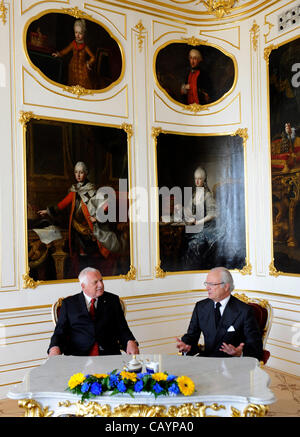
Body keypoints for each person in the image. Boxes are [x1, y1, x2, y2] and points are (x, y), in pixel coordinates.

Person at [38, 161, 121, 276]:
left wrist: (96, 218)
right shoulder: (74, 190)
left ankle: (93, 275)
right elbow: (63, 204)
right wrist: (47, 211)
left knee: (94, 254)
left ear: (86, 173)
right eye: (76, 172)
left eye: (81, 172)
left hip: (90, 228)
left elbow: (104, 205)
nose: (78, 175)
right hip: (77, 227)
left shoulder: (92, 189)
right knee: (81, 255)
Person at [176, 267, 263, 360]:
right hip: (207, 363)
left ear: (226, 287)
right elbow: (191, 336)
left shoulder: (245, 311)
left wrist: (240, 353)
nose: (207, 288)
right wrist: (186, 345)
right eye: (206, 284)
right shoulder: (200, 307)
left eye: (212, 284)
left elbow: (256, 347)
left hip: (233, 366)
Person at [48, 267, 139, 356]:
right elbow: (60, 332)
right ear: (83, 286)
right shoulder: (69, 304)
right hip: (79, 357)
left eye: (101, 280)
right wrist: (54, 347)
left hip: (108, 354)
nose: (101, 285)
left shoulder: (112, 300)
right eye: (95, 282)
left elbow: (122, 328)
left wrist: (130, 341)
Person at [179, 166, 219, 270]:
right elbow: (190, 212)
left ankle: (194, 270)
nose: (197, 181)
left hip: (207, 227)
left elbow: (213, 214)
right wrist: (182, 208)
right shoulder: (194, 195)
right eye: (195, 178)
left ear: (204, 179)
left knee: (193, 244)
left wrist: (199, 222)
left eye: (200, 178)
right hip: (196, 226)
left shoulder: (207, 195)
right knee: (182, 238)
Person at [52, 19, 95, 89]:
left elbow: (93, 57)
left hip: (82, 68)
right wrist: (59, 54)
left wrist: (88, 63)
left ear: (84, 33)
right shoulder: (73, 43)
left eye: (80, 33)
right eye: (76, 32)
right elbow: (66, 50)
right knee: (73, 85)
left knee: (84, 86)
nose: (77, 35)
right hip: (73, 67)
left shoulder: (85, 46)